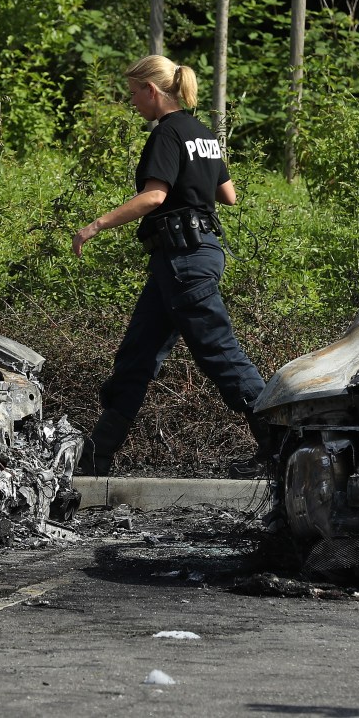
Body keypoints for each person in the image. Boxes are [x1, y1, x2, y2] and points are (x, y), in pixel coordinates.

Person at [72, 54, 270, 478]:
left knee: (220, 353)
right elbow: (228, 195)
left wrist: (95, 225)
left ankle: (281, 443)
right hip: (187, 257)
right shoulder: (202, 133)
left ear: (152, 90)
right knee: (137, 356)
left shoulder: (166, 133)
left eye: (134, 94)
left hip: (184, 259)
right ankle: (96, 456)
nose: (133, 103)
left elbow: (154, 197)